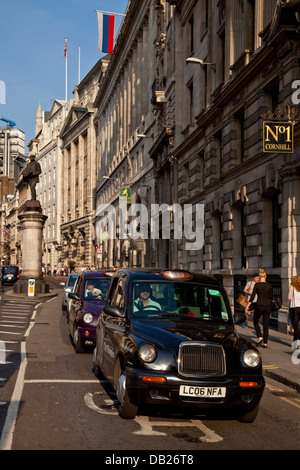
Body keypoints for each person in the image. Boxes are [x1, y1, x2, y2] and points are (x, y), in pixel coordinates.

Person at [245, 269, 273, 348]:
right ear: (265, 276)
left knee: (255, 321)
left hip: (259, 305)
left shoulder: (257, 285)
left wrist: (247, 307)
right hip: (267, 306)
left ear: (260, 277)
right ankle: (265, 343)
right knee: (266, 325)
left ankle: (260, 337)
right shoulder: (269, 285)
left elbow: (252, 297)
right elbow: (271, 296)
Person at [288, 276, 300, 349]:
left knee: (295, 326)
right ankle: (294, 342)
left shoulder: (292, 286)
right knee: (297, 326)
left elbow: (289, 297)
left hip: (294, 308)